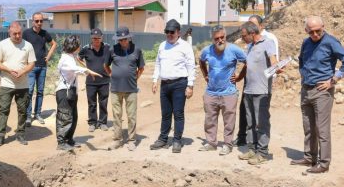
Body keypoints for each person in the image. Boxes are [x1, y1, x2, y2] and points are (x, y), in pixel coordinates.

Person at [292, 16, 344, 174]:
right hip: (306, 89)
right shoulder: (306, 43)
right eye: (311, 32)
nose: (314, 34)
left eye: (317, 31)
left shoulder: (331, 42)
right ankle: (309, 157)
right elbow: (301, 60)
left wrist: (333, 80)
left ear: (323, 27)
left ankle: (324, 163)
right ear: (306, 31)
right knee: (308, 126)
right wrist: (303, 75)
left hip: (322, 91)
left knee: (322, 129)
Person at [198, 26, 247, 156]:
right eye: (216, 38)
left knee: (229, 121)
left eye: (222, 37)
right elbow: (201, 61)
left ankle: (227, 144)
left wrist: (240, 76)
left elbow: (248, 61)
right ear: (212, 39)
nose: (220, 40)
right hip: (211, 93)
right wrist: (205, 75)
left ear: (225, 36)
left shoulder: (234, 50)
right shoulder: (206, 51)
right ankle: (211, 143)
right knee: (209, 120)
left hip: (229, 93)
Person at [235, 22, 278, 166]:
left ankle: (263, 153)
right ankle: (252, 149)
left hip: (262, 91)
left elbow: (273, 60)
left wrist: (276, 67)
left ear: (252, 33)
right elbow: (247, 66)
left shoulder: (268, 42)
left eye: (244, 36)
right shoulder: (250, 47)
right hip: (248, 90)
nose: (243, 38)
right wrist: (239, 78)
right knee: (250, 122)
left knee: (262, 123)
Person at [150, 19, 196, 154]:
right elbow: (158, 64)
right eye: (167, 32)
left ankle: (176, 140)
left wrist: (190, 85)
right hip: (165, 84)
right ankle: (163, 139)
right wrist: (155, 80)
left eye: (172, 32)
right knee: (165, 114)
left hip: (179, 84)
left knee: (178, 113)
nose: (169, 34)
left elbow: (191, 66)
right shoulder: (162, 46)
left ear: (178, 33)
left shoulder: (185, 46)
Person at [55, 35, 102, 151]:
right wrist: (89, 71)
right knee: (64, 117)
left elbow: (78, 64)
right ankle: (61, 142)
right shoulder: (66, 59)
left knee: (73, 117)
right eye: (78, 44)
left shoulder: (72, 56)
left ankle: (69, 139)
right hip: (64, 91)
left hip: (71, 91)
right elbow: (74, 68)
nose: (80, 46)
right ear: (73, 46)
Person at [0, 22, 36, 147]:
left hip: (23, 85)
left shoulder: (28, 46)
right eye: (14, 34)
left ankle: (21, 134)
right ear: (9, 33)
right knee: (3, 109)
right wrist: (9, 70)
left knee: (22, 110)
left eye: (19, 33)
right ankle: (0, 135)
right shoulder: (2, 44)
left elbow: (31, 63)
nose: (17, 36)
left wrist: (23, 71)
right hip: (7, 84)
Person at [104, 27, 145, 151]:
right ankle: (117, 139)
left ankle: (132, 140)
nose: (122, 41)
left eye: (124, 39)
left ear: (129, 38)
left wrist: (134, 78)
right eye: (120, 40)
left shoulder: (137, 50)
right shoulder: (112, 50)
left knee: (131, 115)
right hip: (115, 89)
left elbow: (141, 68)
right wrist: (112, 75)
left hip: (131, 89)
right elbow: (105, 65)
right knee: (117, 115)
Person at [22, 12, 57, 126]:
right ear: (33, 21)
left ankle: (38, 114)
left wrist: (49, 56)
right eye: (37, 21)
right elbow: (20, 46)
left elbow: (54, 44)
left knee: (40, 91)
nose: (39, 23)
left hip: (42, 66)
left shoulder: (44, 33)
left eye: (41, 21)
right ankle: (28, 116)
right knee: (30, 91)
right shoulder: (26, 33)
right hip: (31, 67)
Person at [79, 28, 111, 133]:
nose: (96, 40)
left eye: (98, 38)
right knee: (92, 103)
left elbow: (113, 58)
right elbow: (78, 58)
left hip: (104, 81)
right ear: (91, 38)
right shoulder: (86, 49)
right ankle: (92, 123)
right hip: (91, 82)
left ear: (101, 38)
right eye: (94, 38)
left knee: (103, 102)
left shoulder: (107, 47)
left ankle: (102, 123)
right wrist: (86, 69)